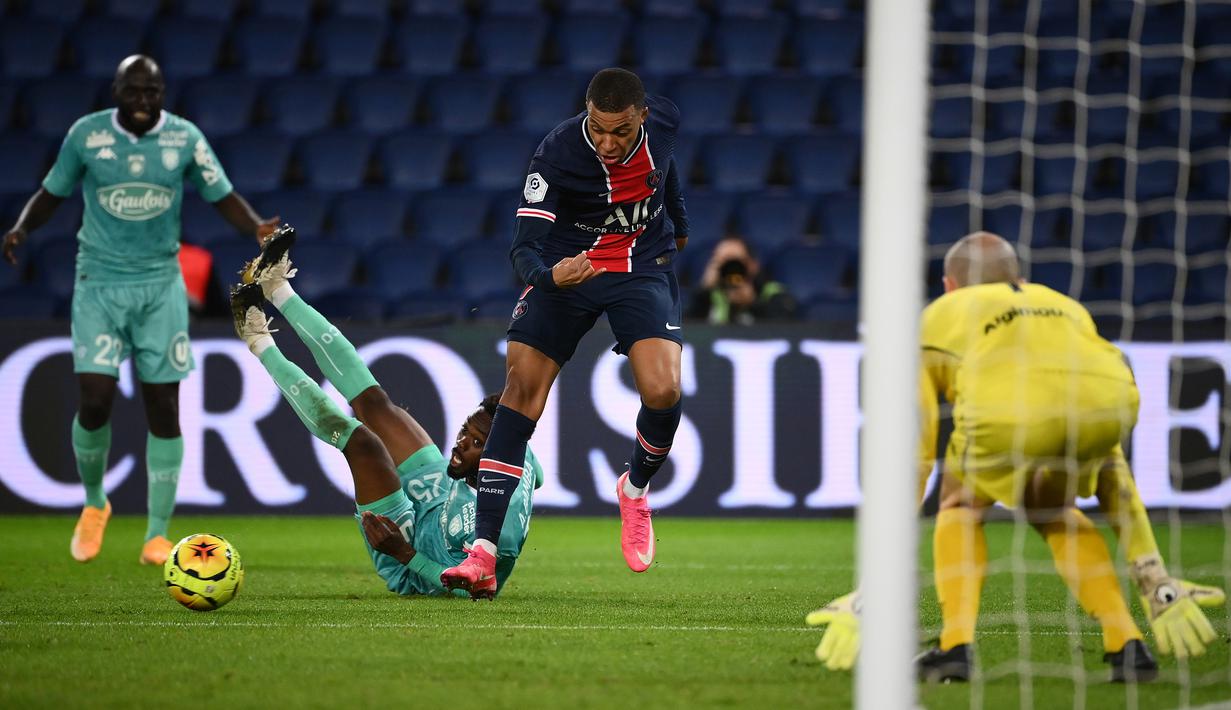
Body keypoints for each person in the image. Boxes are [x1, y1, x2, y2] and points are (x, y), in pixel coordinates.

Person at [806, 232, 1222, 682]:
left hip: (1010, 411)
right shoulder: (1064, 305)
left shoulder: (936, 316)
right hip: (1114, 397)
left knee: (960, 502)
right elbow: (1113, 477)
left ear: (949, 285)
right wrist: (1153, 574)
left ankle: (954, 647)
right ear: (1020, 278)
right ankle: (1128, 643)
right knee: (1053, 508)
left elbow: (918, 454)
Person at [1, 55, 279, 566]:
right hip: (100, 282)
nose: (144, 101)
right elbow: (51, 192)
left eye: (152, 92)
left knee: (164, 406)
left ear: (162, 93)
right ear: (116, 91)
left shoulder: (184, 138)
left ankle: (156, 534)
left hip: (159, 285)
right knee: (95, 398)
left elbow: (222, 194)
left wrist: (257, 225)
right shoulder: (86, 136)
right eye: (134, 92)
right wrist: (21, 228)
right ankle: (93, 503)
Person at [441, 68, 689, 596]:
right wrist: (549, 276)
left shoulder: (663, 119)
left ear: (642, 116)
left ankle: (635, 488)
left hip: (640, 265)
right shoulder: (556, 154)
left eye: (620, 132)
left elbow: (664, 170)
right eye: (597, 128)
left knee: (664, 389)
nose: (606, 142)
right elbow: (522, 246)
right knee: (521, 389)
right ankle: (483, 552)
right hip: (567, 268)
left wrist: (680, 220)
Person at [230, 229, 540, 596]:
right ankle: (277, 287)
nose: (458, 444)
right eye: (464, 431)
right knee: (375, 404)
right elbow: (534, 478)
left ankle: (257, 339)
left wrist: (404, 553)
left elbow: (471, 591)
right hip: (439, 493)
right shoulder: (515, 457)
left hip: (413, 554)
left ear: (490, 459)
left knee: (362, 442)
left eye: (473, 443)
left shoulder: (497, 536)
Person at [686, 236, 796, 324]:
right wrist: (703, 291)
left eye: (734, 262)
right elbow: (686, 331)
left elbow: (784, 329)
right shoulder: (709, 297)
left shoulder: (772, 293)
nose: (729, 269)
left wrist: (752, 303)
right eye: (721, 261)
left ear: (753, 265)